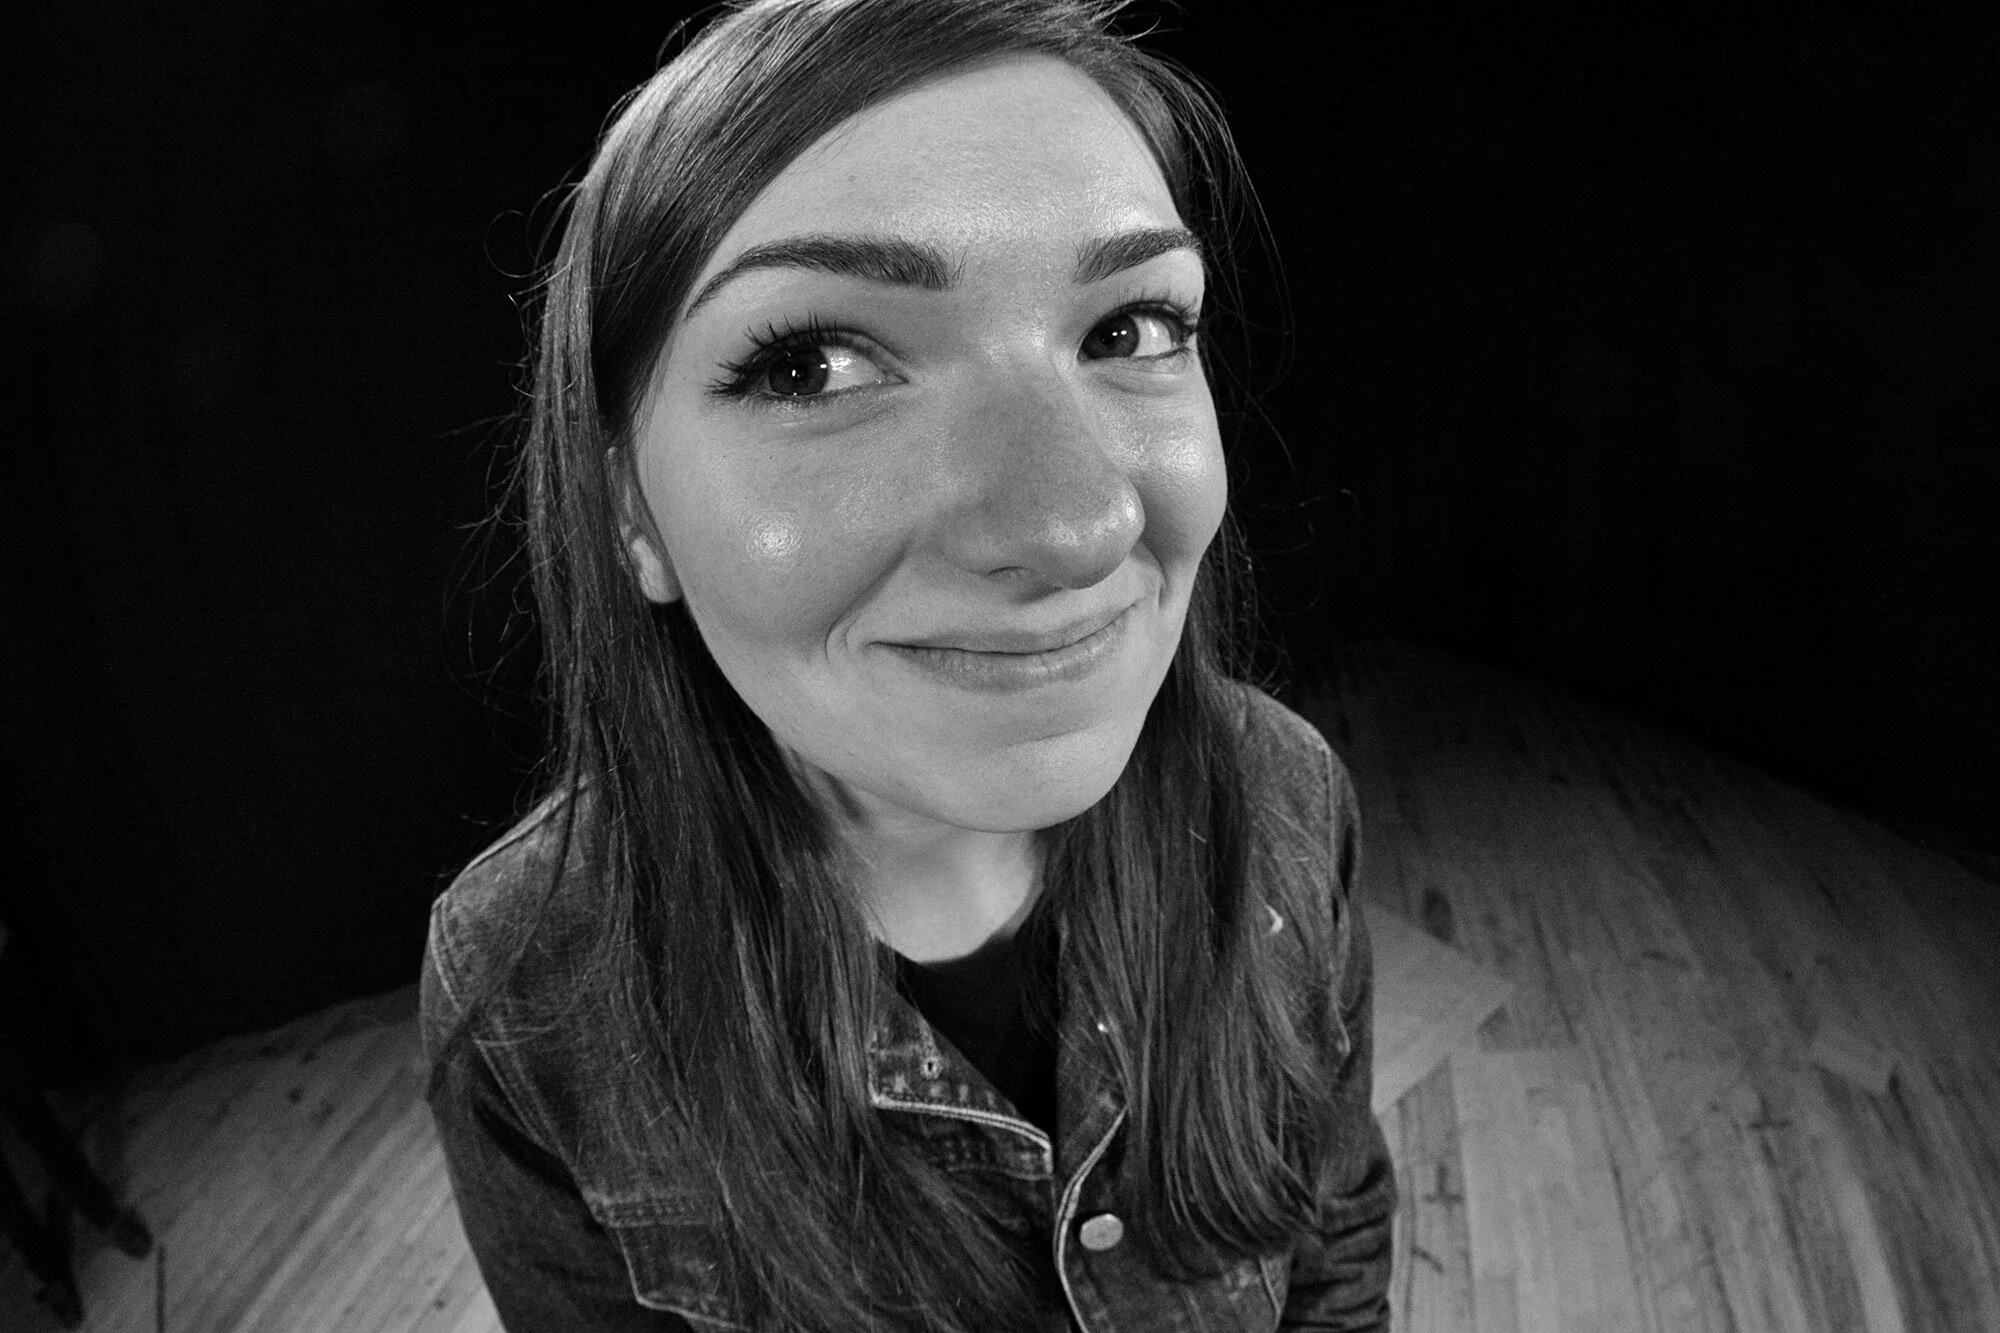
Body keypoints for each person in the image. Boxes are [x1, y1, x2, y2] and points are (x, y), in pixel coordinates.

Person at [418, 1, 1396, 1328]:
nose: (1077, 525)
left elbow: (1338, 1238)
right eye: (813, 366)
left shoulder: (1285, 798)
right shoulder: (524, 989)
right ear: (630, 510)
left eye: (1128, 329)